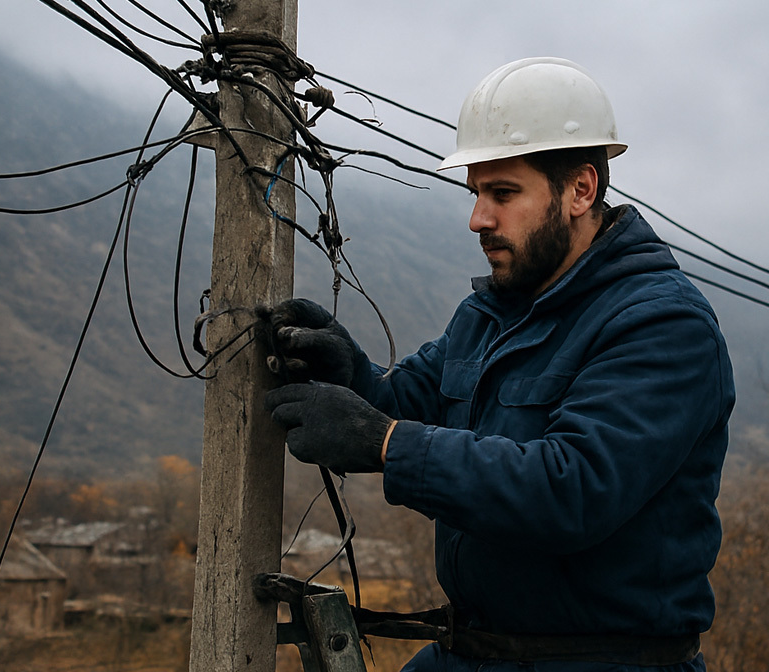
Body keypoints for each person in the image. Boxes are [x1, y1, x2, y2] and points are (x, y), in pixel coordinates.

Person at [264, 57, 735, 671]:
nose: (478, 218)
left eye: (503, 194)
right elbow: (406, 405)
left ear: (580, 190)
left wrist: (383, 444)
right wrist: (348, 373)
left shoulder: (662, 326)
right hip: (474, 650)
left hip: (605, 660)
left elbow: (571, 490)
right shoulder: (490, 313)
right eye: (477, 194)